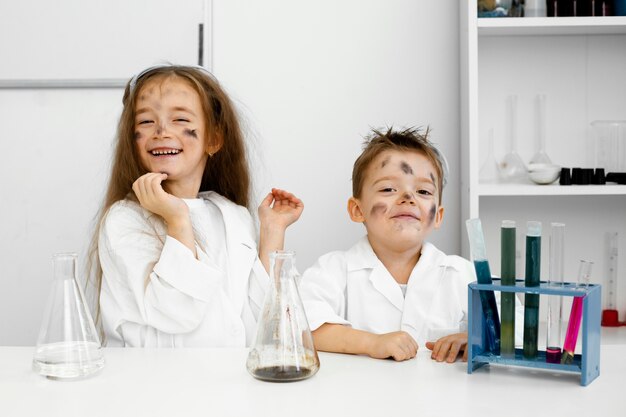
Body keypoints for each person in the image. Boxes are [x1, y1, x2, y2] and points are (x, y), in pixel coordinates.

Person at [90, 64, 303, 347]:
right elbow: (176, 313)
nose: (162, 131)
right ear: (132, 139)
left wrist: (272, 231)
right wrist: (177, 219)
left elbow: (267, 320)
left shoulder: (233, 215)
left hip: (232, 385)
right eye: (145, 122)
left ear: (213, 138)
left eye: (179, 119)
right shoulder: (123, 219)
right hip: (155, 385)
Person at [299, 127, 475, 363]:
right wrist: (372, 342)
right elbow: (301, 326)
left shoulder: (463, 274)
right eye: (388, 189)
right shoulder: (333, 270)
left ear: (438, 216)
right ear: (357, 209)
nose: (408, 198)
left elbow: (515, 326)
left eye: (423, 191)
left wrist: (476, 339)